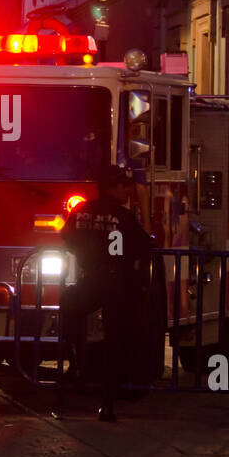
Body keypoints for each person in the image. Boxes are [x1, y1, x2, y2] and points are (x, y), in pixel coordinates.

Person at [60, 165, 151, 422]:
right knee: (116, 340)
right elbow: (145, 245)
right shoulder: (122, 217)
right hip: (115, 283)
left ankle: (76, 364)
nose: (128, 190)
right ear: (112, 187)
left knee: (69, 307)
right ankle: (108, 402)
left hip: (89, 280)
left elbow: (68, 238)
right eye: (124, 185)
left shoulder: (81, 211)